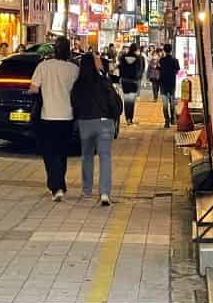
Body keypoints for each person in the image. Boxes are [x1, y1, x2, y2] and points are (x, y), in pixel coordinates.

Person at [29, 37, 80, 201]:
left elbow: (33, 89)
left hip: (47, 116)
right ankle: (58, 185)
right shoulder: (73, 69)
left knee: (49, 152)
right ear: (69, 50)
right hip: (67, 116)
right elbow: (78, 92)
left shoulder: (43, 67)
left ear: (54, 50)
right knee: (61, 152)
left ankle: (56, 186)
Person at [71, 51, 120, 206]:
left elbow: (74, 104)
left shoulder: (78, 84)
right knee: (105, 157)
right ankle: (104, 193)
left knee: (87, 156)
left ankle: (87, 190)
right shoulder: (103, 81)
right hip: (104, 123)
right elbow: (114, 101)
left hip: (85, 123)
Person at [118, 43, 145, 125]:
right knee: (131, 100)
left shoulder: (123, 58)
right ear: (136, 50)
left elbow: (120, 69)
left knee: (126, 100)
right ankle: (130, 118)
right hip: (134, 81)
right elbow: (141, 69)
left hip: (125, 81)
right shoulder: (139, 58)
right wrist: (138, 78)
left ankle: (127, 118)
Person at [158, 43, 181, 128]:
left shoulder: (161, 60)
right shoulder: (175, 60)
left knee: (164, 104)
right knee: (172, 103)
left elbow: (159, 68)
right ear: (171, 50)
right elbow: (177, 70)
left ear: (164, 50)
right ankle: (172, 120)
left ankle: (166, 121)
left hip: (163, 84)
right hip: (172, 84)